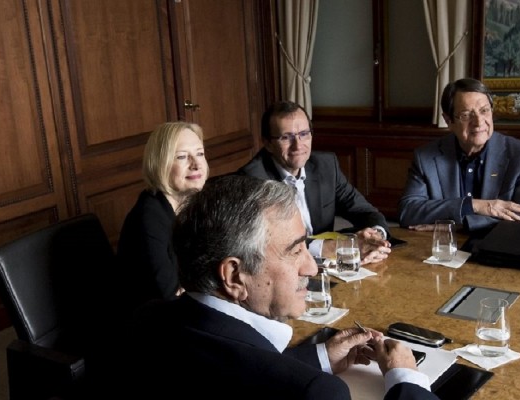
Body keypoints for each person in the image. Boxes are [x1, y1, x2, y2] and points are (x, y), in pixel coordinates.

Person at [124, 175, 439, 400]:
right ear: (234, 276)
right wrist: (406, 378)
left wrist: (319, 358)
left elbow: (238, 364)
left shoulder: (147, 318)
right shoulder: (315, 392)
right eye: (296, 250)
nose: (312, 268)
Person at [237, 100, 391, 265]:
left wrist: (375, 238)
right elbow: (273, 244)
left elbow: (365, 211)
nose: (298, 146)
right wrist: (343, 246)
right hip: (281, 267)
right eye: (286, 137)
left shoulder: (326, 166)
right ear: (268, 143)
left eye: (304, 134)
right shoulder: (253, 180)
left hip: (326, 266)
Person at [398, 78, 520, 232]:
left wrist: (462, 226)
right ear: (448, 121)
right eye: (466, 115)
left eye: (484, 111)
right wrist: (473, 205)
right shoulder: (426, 157)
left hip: (497, 243)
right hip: (443, 245)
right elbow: (408, 212)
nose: (479, 122)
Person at [116, 120, 208, 313]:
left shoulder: (192, 203)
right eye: (182, 157)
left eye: (200, 153)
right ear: (160, 164)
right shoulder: (148, 218)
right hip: (152, 322)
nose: (196, 164)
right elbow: (170, 295)